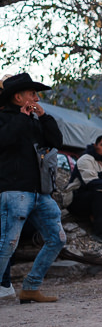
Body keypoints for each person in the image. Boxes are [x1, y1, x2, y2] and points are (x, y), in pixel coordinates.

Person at [0, 72, 65, 303]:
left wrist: (45, 117)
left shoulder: (34, 121)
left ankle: (30, 287)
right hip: (14, 191)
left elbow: (56, 142)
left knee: (57, 238)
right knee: (8, 244)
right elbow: (4, 140)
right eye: (32, 94)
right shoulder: (5, 119)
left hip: (40, 193)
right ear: (18, 97)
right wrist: (21, 117)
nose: (37, 99)